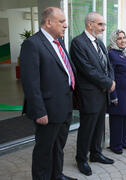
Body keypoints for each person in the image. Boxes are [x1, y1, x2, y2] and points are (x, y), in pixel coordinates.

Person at [20, 7, 77, 180]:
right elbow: (31, 83)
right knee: (44, 150)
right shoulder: (32, 44)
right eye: (61, 21)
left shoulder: (58, 42)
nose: (65, 25)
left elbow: (66, 71)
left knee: (58, 146)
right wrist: (39, 111)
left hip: (65, 106)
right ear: (48, 22)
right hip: (48, 110)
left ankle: (57, 175)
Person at [70, 12, 115, 176]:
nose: (104, 28)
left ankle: (96, 154)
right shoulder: (78, 43)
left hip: (103, 93)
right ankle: (82, 159)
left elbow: (108, 65)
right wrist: (108, 82)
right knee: (87, 128)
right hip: (89, 94)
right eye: (100, 24)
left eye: (103, 24)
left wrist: (110, 80)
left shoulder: (100, 42)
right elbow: (87, 69)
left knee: (99, 126)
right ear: (90, 24)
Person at [106, 30, 126, 154]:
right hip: (118, 93)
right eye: (119, 38)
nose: (122, 40)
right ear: (114, 40)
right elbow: (110, 75)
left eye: (124, 37)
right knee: (117, 120)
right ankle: (115, 144)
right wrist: (113, 95)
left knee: (125, 118)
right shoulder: (111, 54)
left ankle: (123, 140)